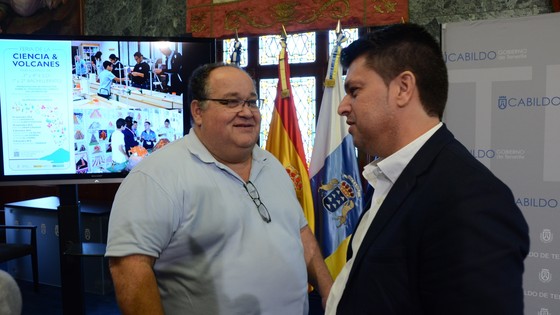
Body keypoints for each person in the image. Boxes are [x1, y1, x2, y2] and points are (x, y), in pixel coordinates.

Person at [324, 23, 530, 315]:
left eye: (354, 91)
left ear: (403, 88)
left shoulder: (470, 199)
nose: (342, 107)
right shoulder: (388, 176)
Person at [106, 63, 332, 314]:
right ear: (198, 111)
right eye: (231, 102)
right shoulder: (155, 176)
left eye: (252, 102)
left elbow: (300, 235)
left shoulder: (274, 165)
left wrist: (328, 291)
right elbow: (130, 269)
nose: (247, 112)